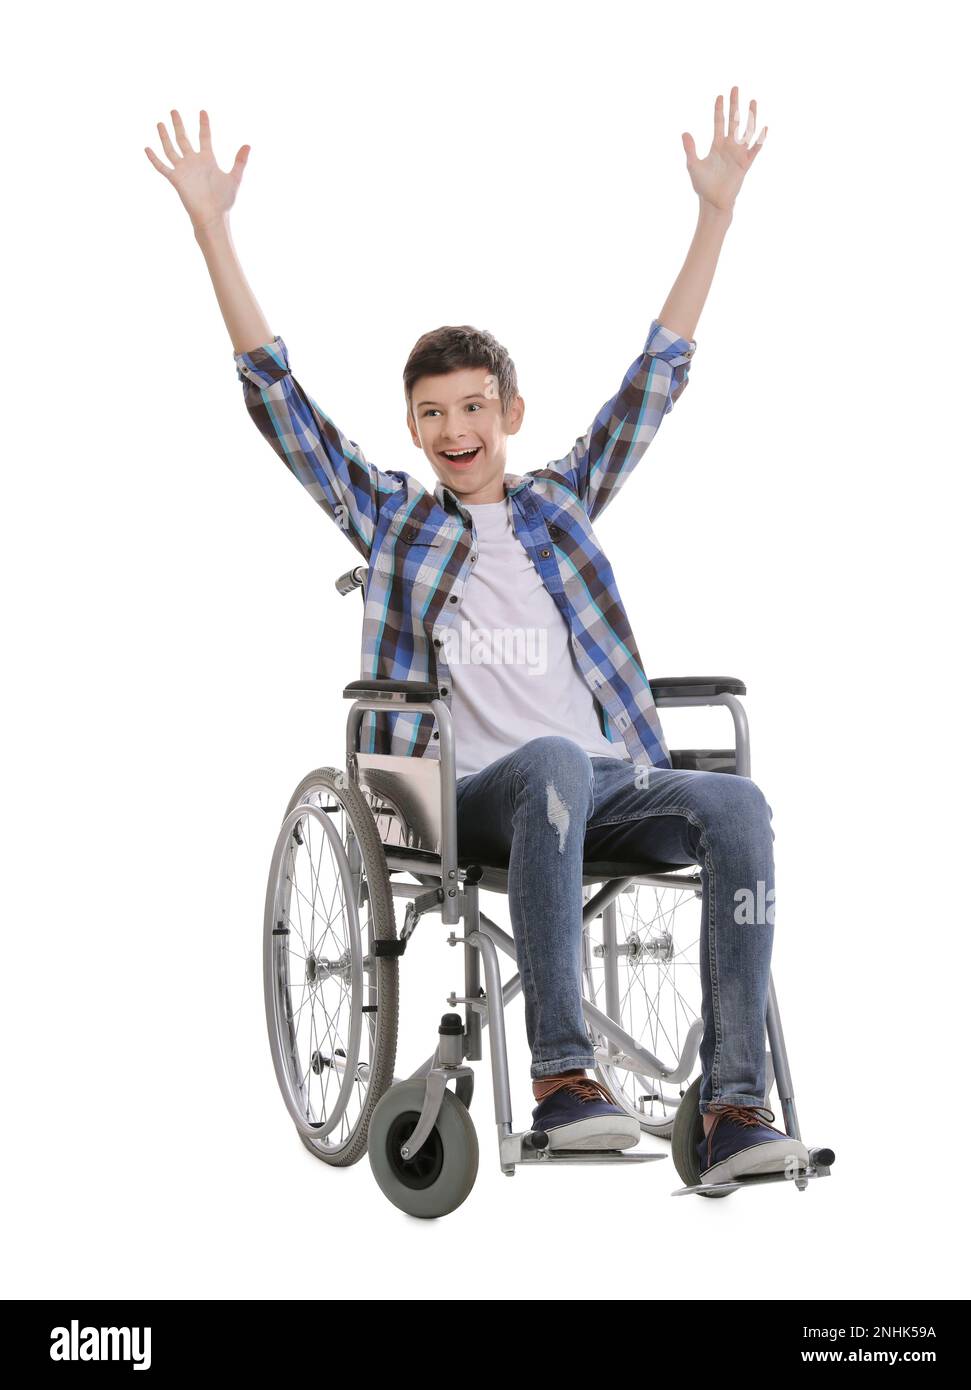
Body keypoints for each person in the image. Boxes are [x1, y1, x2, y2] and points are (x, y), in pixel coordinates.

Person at [146, 90, 810, 1185]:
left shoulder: (558, 505)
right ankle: (562, 1080)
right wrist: (212, 226)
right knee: (550, 762)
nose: (453, 431)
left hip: (601, 779)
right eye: (431, 415)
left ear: (509, 411)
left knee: (735, 801)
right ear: (413, 429)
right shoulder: (396, 518)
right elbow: (279, 404)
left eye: (472, 407)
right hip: (474, 796)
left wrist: (714, 216)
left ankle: (735, 1105)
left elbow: (656, 380)